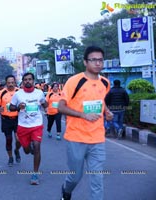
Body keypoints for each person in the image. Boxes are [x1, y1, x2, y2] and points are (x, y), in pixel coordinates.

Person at [58, 46, 113, 200]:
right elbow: (61, 107)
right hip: (76, 138)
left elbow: (100, 101)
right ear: (85, 62)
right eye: (93, 60)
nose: (98, 63)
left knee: (97, 179)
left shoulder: (105, 83)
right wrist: (82, 115)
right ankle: (66, 190)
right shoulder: (74, 81)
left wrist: (106, 111)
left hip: (97, 139)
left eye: (100, 60)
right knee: (75, 177)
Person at [9, 72, 47, 185]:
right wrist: (17, 107)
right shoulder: (18, 94)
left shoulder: (40, 93)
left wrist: (44, 103)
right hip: (23, 126)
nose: (28, 81)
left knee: (37, 146)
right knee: (26, 151)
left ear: (33, 81)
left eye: (30, 79)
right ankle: (22, 149)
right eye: (25, 79)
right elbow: (11, 107)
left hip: (36, 125)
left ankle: (35, 174)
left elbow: (45, 105)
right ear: (22, 82)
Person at [0, 75, 21, 167]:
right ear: (6, 83)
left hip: (18, 119)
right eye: (9, 82)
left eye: (12, 82)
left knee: (19, 139)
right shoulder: (1, 92)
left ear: (15, 82)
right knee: (8, 139)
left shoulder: (19, 92)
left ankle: (16, 150)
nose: (10, 84)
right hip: (6, 119)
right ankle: (10, 157)